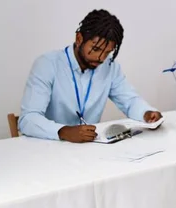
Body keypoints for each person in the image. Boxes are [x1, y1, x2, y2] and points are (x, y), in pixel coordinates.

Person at [18, 9, 162, 143]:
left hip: (90, 151)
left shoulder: (109, 67)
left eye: (107, 53)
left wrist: (146, 113)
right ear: (79, 38)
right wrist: (63, 131)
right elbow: (28, 119)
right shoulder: (47, 64)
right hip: (50, 148)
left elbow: (130, 101)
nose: (100, 58)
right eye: (96, 49)